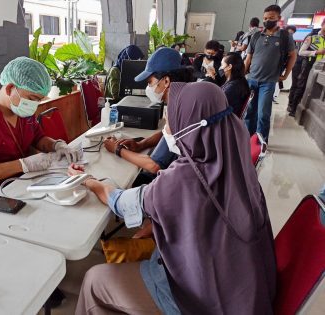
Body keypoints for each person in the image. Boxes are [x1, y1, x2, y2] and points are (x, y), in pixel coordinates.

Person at [73, 81, 276, 315]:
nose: (168, 128)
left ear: (191, 126)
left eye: (171, 119)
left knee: (95, 280)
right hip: (244, 289)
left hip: (201, 300)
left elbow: (119, 202)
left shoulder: (185, 177)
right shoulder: (239, 164)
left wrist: (89, 181)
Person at [0, 57, 80, 216]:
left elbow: (38, 138)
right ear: (10, 88)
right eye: (33, 99)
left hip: (20, 183)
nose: (34, 106)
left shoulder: (22, 112)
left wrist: (56, 145)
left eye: (39, 100)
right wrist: (22, 165)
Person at [103, 48, 195, 185]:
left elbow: (154, 165)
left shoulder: (179, 109)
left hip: (178, 183)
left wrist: (117, 149)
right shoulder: (186, 97)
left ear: (166, 81)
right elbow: (167, 135)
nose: (148, 87)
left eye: (150, 82)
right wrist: (141, 144)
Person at [244, 4, 296, 142]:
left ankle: (261, 142)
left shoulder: (285, 36)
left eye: (271, 18)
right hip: (252, 79)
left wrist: (285, 75)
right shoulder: (256, 36)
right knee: (249, 112)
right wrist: (242, 76)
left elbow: (293, 55)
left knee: (263, 114)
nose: (267, 20)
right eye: (265, 18)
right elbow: (248, 58)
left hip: (268, 82)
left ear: (279, 18)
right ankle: (248, 140)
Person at [287, 19, 325, 116]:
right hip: (305, 65)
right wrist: (315, 52)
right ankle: (293, 108)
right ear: (322, 24)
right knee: (300, 86)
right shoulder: (312, 36)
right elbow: (301, 52)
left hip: (319, 68)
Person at [219, 52, 251, 117]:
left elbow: (219, 105)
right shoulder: (239, 80)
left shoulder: (233, 87)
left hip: (226, 119)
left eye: (222, 65)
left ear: (229, 67)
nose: (220, 67)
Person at [273, 25, 297, 104]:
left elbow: (293, 56)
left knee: (277, 81)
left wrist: (286, 73)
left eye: (292, 33)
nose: (290, 35)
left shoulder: (292, 42)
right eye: (289, 33)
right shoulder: (278, 38)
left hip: (281, 65)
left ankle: (274, 96)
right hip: (273, 65)